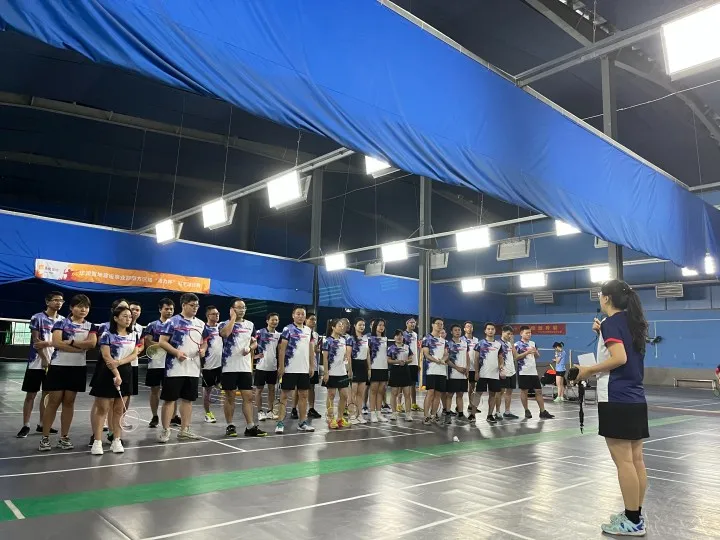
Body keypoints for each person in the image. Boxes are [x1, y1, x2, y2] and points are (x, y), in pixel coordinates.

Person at [573, 279, 649, 536]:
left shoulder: (611, 323)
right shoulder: (632, 322)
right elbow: (623, 353)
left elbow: (620, 358)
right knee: (636, 460)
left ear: (606, 298)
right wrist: (601, 334)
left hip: (616, 398)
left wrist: (588, 370)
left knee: (624, 462)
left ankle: (632, 522)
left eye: (599, 294)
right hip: (635, 398)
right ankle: (634, 514)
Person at [39, 294, 97, 451]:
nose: (83, 309)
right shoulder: (61, 323)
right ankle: (45, 438)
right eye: (80, 306)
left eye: (86, 307)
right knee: (53, 401)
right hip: (58, 366)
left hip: (77, 368)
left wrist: (71, 342)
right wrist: (79, 348)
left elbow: (92, 344)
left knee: (69, 402)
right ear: (71, 308)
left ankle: (64, 437)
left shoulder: (90, 326)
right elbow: (57, 343)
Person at [156, 293, 207, 442]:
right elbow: (162, 342)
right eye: (192, 305)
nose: (195, 308)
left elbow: (204, 341)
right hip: (174, 368)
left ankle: (185, 430)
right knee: (169, 400)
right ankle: (165, 430)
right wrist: (176, 352)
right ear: (184, 305)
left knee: (188, 400)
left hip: (193, 368)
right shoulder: (172, 321)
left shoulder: (201, 324)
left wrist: (203, 349)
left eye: (197, 306)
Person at [90, 306, 141, 455]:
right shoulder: (107, 335)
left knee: (119, 410)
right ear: (116, 318)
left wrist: (119, 363)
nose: (128, 319)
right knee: (102, 409)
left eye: (130, 317)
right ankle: (97, 442)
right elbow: (106, 357)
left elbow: (134, 354)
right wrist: (116, 373)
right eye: (125, 316)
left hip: (126, 372)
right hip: (107, 373)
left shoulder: (134, 335)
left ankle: (116, 440)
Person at [17, 291, 63, 438]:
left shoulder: (62, 321)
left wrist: (49, 344)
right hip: (36, 363)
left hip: (55, 362)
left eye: (61, 300)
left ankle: (42, 424)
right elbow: (36, 341)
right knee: (31, 394)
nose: (58, 303)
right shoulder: (37, 318)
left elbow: (61, 342)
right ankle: (26, 425)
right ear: (47, 302)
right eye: (55, 300)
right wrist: (43, 358)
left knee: (47, 395)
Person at [219, 298, 264, 437]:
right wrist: (233, 318)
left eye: (244, 307)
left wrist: (250, 348)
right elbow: (225, 334)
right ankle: (230, 425)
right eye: (238, 307)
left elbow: (255, 342)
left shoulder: (250, 325)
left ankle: (250, 426)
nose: (242, 310)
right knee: (230, 397)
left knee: (248, 397)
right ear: (232, 309)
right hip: (229, 367)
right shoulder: (224, 324)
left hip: (245, 367)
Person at [276, 306, 316, 433]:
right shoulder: (287, 329)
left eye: (302, 314)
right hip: (289, 368)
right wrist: (281, 366)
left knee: (304, 395)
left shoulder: (308, 331)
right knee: (284, 396)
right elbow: (282, 349)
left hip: (304, 369)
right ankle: (280, 423)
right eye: (298, 314)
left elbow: (311, 349)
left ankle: (302, 422)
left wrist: (311, 365)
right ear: (293, 315)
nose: (300, 316)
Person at [142, 298, 175, 428]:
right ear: (160, 309)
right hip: (155, 363)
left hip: (171, 364)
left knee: (172, 392)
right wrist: (166, 344)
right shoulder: (152, 325)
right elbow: (148, 342)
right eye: (166, 308)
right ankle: (154, 416)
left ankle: (173, 416)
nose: (169, 311)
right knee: (154, 390)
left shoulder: (176, 325)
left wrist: (164, 345)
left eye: (171, 309)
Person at [515, 326, 554, 420]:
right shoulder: (517, 345)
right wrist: (527, 352)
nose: (529, 334)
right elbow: (516, 357)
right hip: (523, 371)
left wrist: (535, 352)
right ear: (521, 333)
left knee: (538, 391)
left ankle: (543, 411)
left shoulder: (533, 343)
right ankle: (526, 410)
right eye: (527, 333)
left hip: (533, 371)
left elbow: (537, 356)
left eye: (530, 333)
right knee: (524, 391)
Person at [321, 318, 352, 429]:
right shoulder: (327, 341)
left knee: (344, 395)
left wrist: (349, 369)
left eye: (342, 325)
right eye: (339, 325)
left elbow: (346, 356)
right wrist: (326, 373)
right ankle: (330, 418)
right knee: (331, 395)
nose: (342, 327)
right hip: (331, 372)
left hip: (342, 372)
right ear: (333, 327)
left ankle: (340, 418)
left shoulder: (344, 340)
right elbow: (325, 358)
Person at [472, 322, 505, 425]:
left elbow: (501, 358)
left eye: (492, 329)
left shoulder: (498, 345)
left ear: (495, 331)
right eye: (488, 329)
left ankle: (490, 415)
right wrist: (476, 372)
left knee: (493, 395)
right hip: (482, 373)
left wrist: (501, 366)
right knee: (478, 394)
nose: (490, 331)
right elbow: (476, 359)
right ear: (485, 331)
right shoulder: (480, 343)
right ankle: (472, 414)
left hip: (494, 375)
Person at [254, 312, 281, 421]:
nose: (274, 322)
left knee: (272, 390)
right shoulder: (259, 333)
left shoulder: (278, 335)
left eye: (276, 320)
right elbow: (250, 344)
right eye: (272, 320)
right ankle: (260, 412)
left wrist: (280, 366)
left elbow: (280, 351)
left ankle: (270, 411)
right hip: (261, 366)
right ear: (267, 321)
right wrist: (254, 356)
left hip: (273, 367)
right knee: (259, 390)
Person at [422, 318, 448, 425]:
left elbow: (446, 354)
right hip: (430, 370)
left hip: (441, 371)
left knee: (438, 394)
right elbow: (426, 354)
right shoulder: (426, 339)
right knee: (430, 393)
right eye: (437, 324)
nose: (440, 326)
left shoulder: (444, 341)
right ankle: (426, 416)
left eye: (441, 324)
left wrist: (443, 360)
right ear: (432, 325)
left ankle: (433, 415)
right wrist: (437, 361)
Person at [201, 305, 222, 423]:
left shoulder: (221, 327)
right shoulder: (203, 329)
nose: (217, 315)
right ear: (208, 315)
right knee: (207, 391)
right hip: (208, 366)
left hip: (221, 365)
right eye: (214, 314)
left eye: (218, 313)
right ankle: (207, 413)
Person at [388, 329, 413, 422]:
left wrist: (406, 361)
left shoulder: (407, 347)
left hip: (405, 370)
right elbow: (388, 360)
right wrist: (397, 361)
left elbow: (411, 358)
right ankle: (394, 413)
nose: (399, 337)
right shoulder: (391, 348)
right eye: (397, 335)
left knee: (407, 393)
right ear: (394, 337)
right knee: (394, 393)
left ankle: (408, 414)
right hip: (395, 370)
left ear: (403, 337)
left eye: (401, 335)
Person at [347, 318, 369, 425]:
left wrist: (369, 368)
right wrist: (350, 369)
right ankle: (351, 415)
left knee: (361, 393)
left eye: (363, 325)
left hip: (363, 366)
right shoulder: (350, 339)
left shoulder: (365, 338)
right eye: (360, 324)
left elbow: (368, 354)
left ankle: (359, 415)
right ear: (355, 325)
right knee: (353, 393)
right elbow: (348, 356)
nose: (362, 327)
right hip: (354, 365)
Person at [446, 324, 468, 424]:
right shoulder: (448, 344)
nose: (458, 332)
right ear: (451, 332)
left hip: (463, 374)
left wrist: (467, 368)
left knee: (460, 394)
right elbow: (447, 360)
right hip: (453, 374)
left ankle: (461, 414)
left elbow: (467, 356)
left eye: (459, 330)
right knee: (450, 395)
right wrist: (457, 368)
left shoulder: (465, 343)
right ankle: (447, 415)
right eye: (455, 330)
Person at [368, 319, 389, 423]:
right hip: (374, 367)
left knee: (381, 391)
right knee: (373, 390)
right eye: (379, 325)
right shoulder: (370, 339)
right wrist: (369, 368)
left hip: (384, 367)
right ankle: (372, 413)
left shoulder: (385, 339)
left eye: (383, 325)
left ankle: (379, 413)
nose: (381, 327)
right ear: (375, 326)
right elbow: (368, 354)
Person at [497, 325, 519, 419]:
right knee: (500, 392)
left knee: (509, 392)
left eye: (511, 334)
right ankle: (497, 412)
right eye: (508, 334)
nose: (510, 336)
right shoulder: (498, 343)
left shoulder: (510, 344)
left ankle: (507, 411)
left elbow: (516, 356)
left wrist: (512, 344)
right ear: (503, 332)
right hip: (503, 371)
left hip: (512, 371)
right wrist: (500, 368)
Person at [403, 318, 421, 412]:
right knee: (402, 384)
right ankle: (399, 404)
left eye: (414, 323)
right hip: (406, 362)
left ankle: (413, 404)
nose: (413, 324)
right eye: (411, 322)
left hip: (414, 363)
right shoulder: (403, 334)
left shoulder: (415, 334)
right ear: (407, 323)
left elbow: (417, 349)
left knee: (413, 384)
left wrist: (418, 363)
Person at [462, 321, 478, 420]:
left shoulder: (476, 340)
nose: (469, 328)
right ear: (464, 329)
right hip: (463, 367)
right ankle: (458, 407)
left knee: (472, 388)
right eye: (467, 327)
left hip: (473, 367)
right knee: (460, 389)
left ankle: (471, 405)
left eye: (471, 327)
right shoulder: (461, 340)